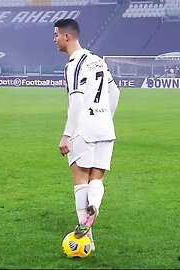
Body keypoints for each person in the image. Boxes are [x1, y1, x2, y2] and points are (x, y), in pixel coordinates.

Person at [54, 19, 120, 250]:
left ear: (67, 37)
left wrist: (66, 134)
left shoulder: (74, 64)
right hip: (105, 126)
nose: (55, 40)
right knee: (97, 178)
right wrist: (105, 117)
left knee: (80, 179)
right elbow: (115, 92)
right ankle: (95, 205)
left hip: (84, 127)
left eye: (56, 36)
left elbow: (77, 100)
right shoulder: (97, 60)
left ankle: (87, 239)